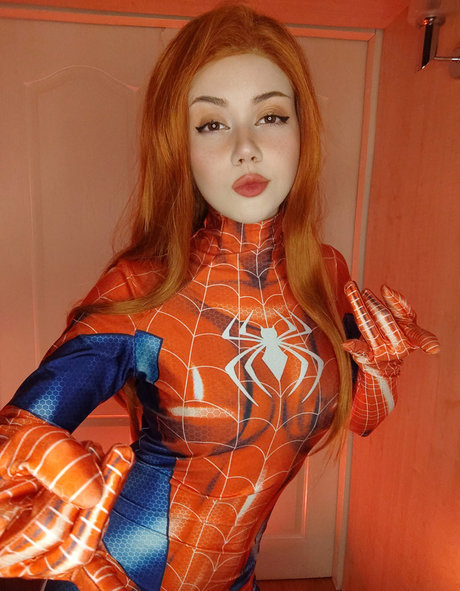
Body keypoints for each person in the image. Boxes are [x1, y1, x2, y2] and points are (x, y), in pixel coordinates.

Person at [0, 4, 440, 591]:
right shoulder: (142, 287)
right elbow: (16, 434)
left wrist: (382, 369)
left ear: (302, 131)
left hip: (239, 575)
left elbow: (359, 420)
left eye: (271, 116)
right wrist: (42, 486)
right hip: (118, 572)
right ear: (178, 145)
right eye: (211, 124)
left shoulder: (325, 271)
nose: (246, 148)